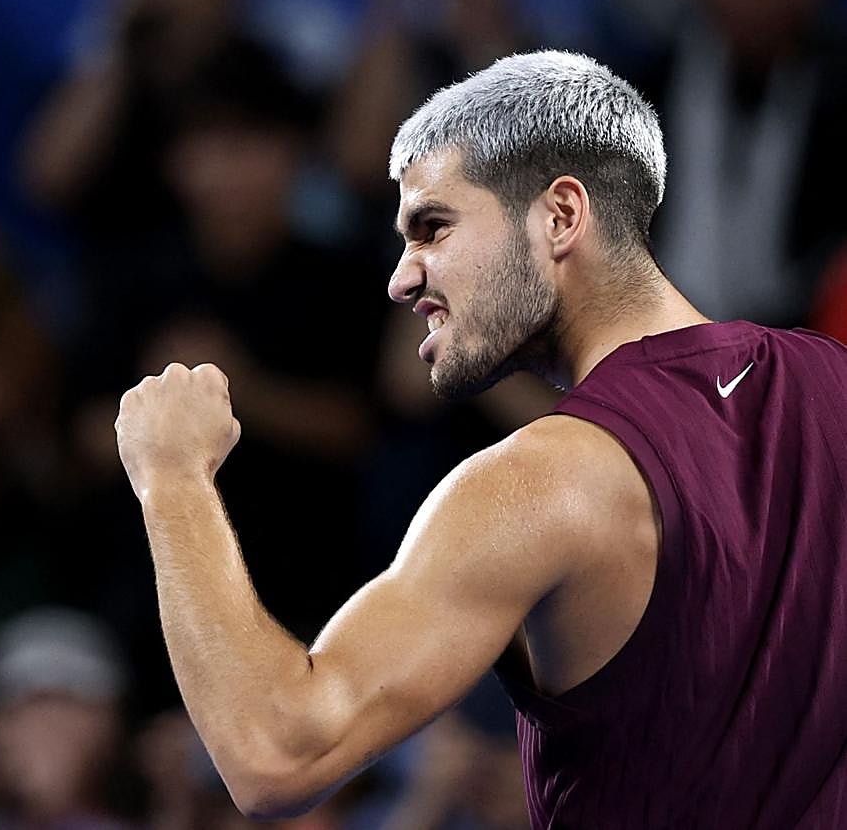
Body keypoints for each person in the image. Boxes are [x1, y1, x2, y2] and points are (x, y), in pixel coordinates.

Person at [113, 50, 847, 828]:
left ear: (560, 215)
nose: (402, 279)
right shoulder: (832, 382)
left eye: (432, 227)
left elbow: (274, 755)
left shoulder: (541, 481)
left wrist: (173, 477)